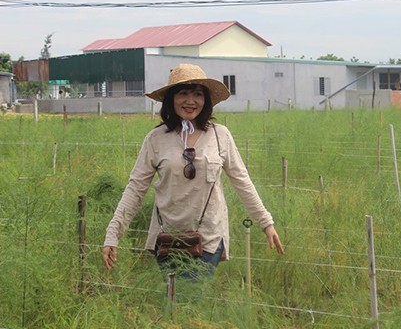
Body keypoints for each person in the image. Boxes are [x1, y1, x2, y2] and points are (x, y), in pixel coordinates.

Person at [102, 63, 284, 280]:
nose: (191, 101)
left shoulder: (220, 136)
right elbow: (135, 189)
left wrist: (266, 223)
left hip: (208, 237)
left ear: (206, 100)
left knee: (190, 298)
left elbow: (242, 181)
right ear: (171, 99)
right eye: (183, 93)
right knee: (175, 302)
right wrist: (113, 235)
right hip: (167, 238)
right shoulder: (156, 139)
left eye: (198, 94)